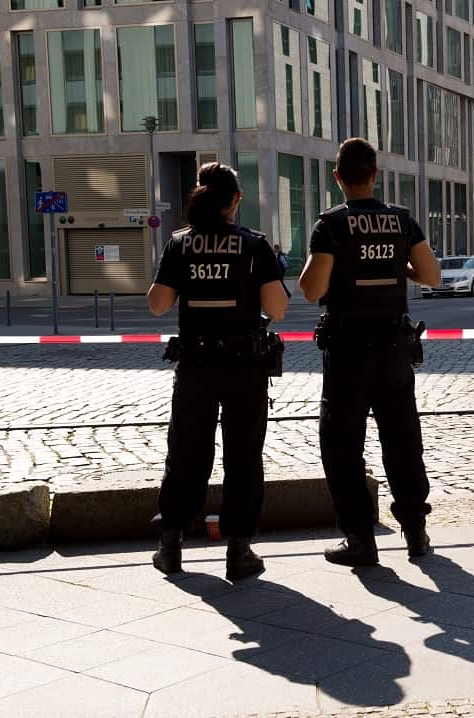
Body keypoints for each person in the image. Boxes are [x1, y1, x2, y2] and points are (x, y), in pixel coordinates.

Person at [299, 138, 441, 567]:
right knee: (402, 439)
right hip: (395, 350)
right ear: (375, 175)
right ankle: (415, 530)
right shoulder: (401, 221)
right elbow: (432, 275)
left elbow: (312, 290)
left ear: (338, 176)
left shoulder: (331, 225)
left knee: (342, 445)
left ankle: (361, 539)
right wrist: (400, 266)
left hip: (348, 353)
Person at [147, 162, 288, 581]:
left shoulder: (180, 245)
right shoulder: (253, 245)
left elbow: (157, 304)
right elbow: (277, 309)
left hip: (195, 367)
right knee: (243, 456)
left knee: (187, 454)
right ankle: (239, 551)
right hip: (244, 368)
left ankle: (170, 544)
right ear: (235, 200)